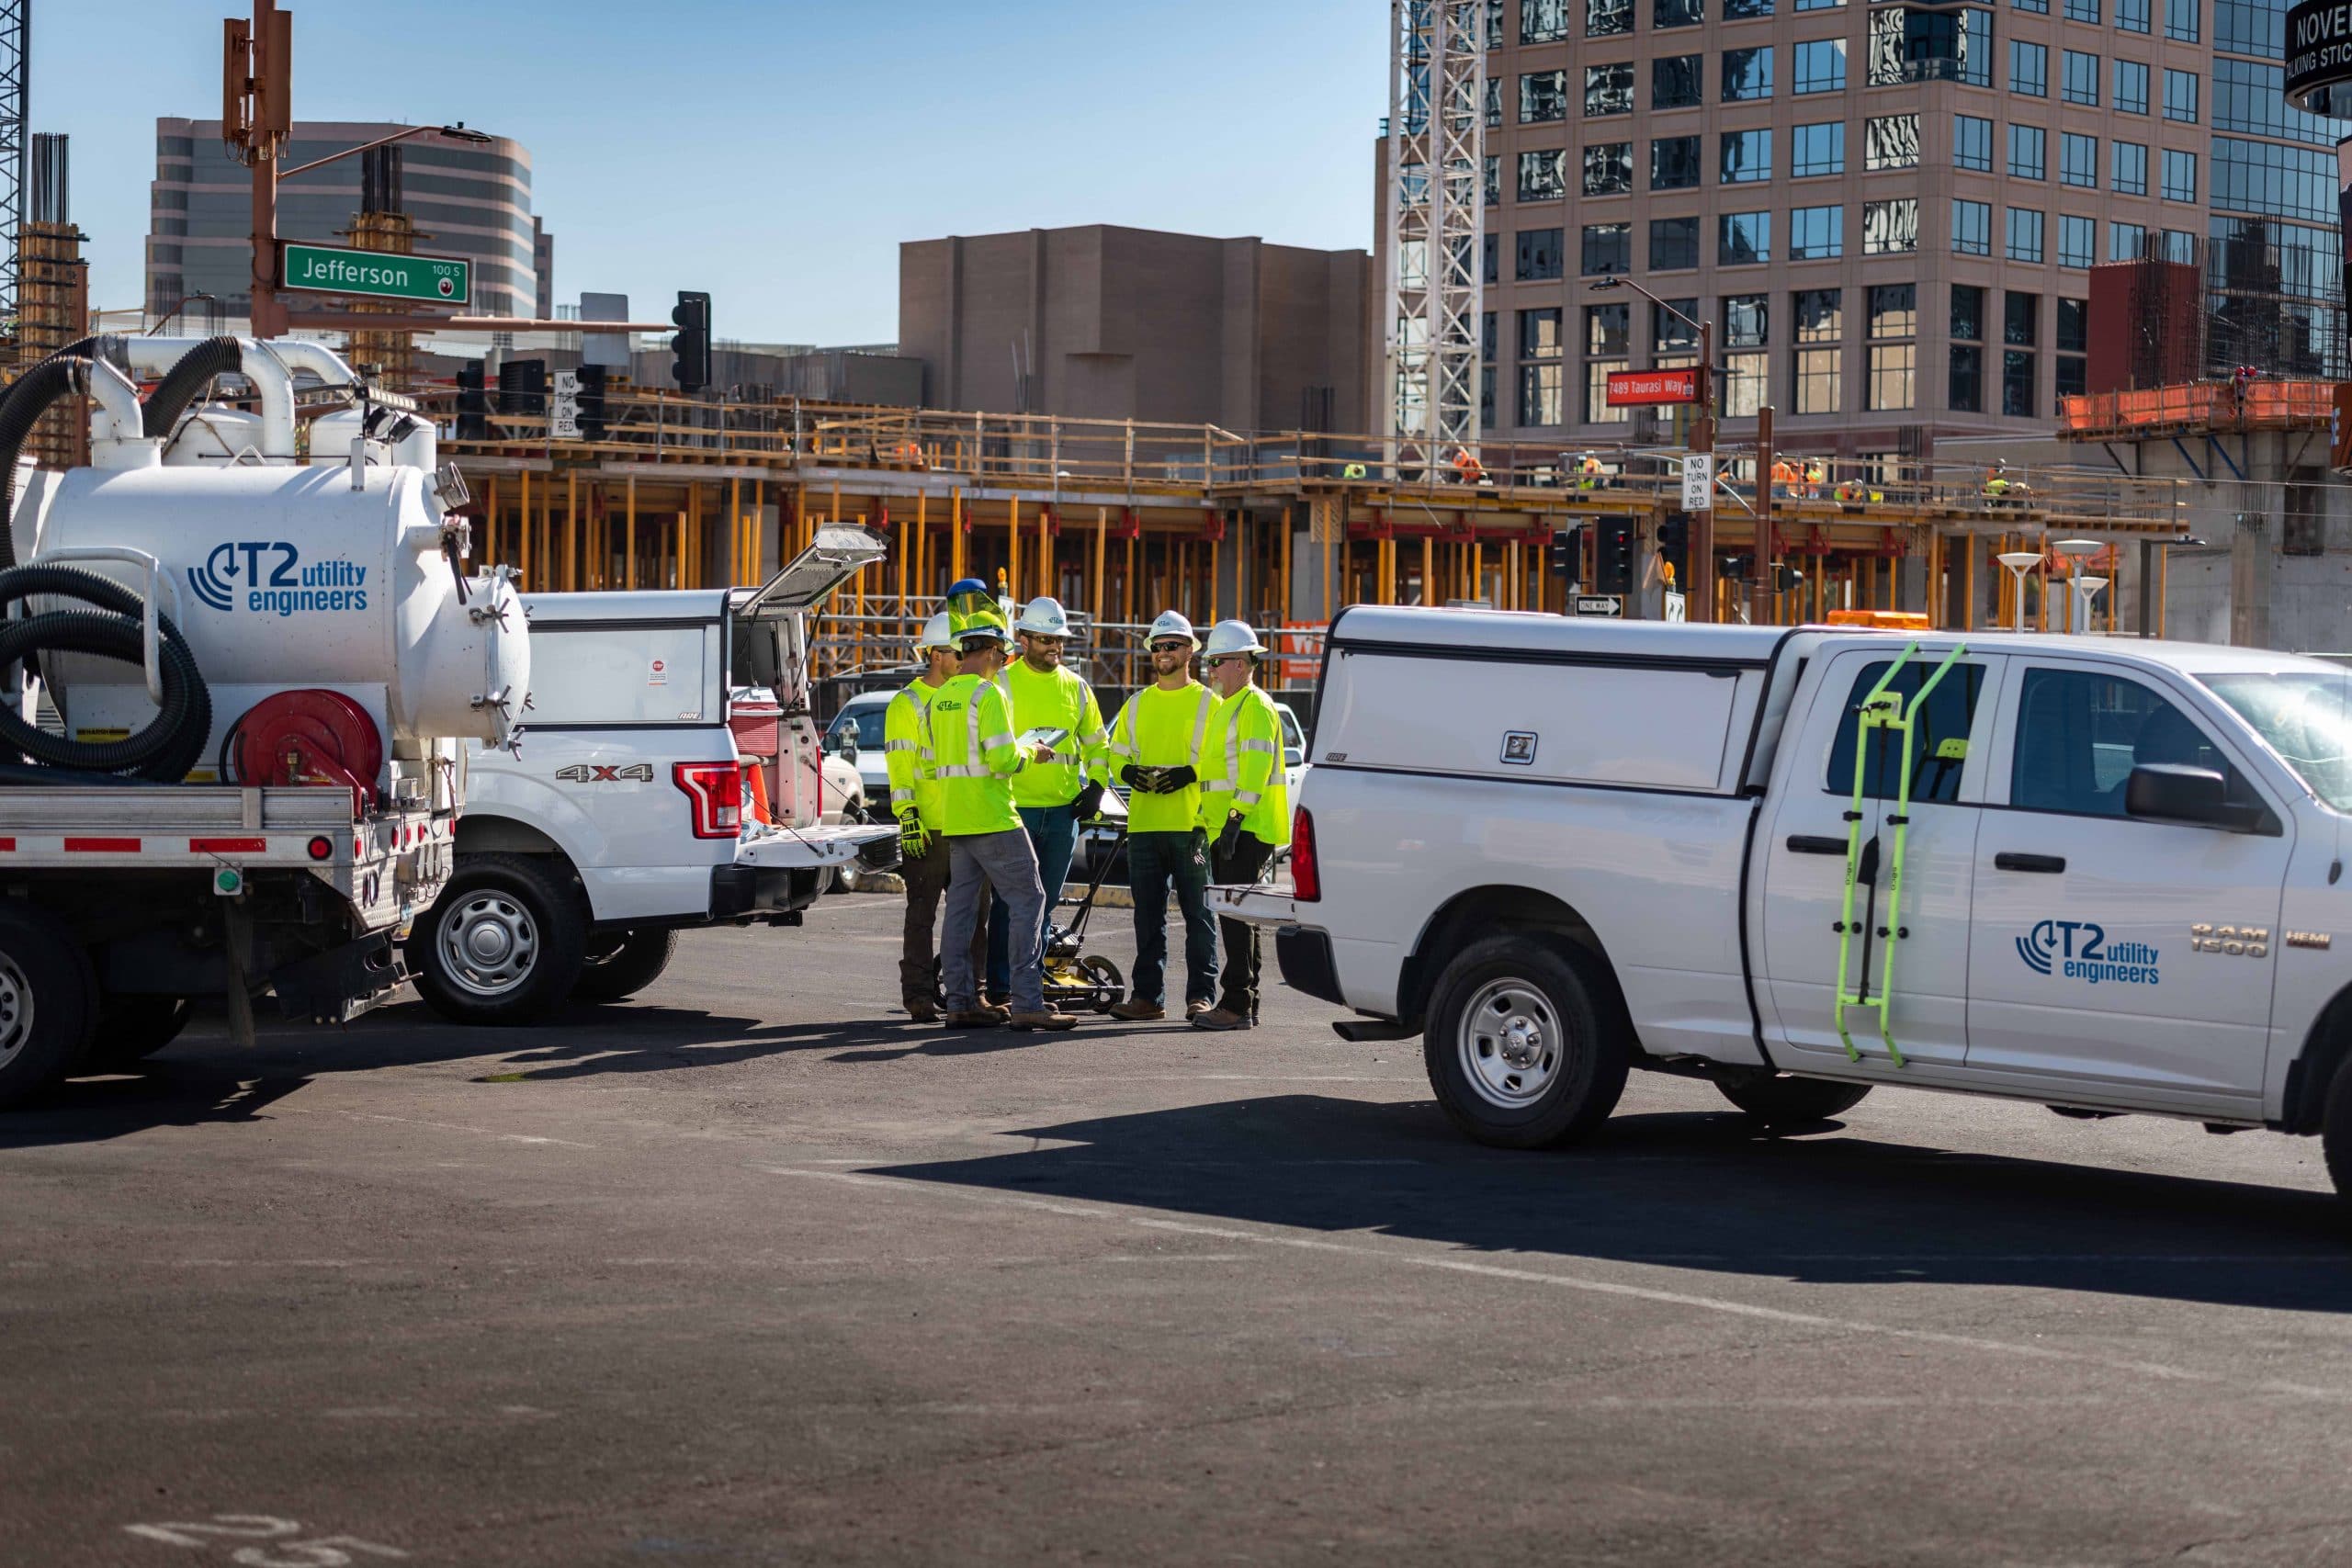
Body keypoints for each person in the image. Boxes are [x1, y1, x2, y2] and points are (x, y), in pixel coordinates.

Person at [927, 608, 1077, 1032]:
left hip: (957, 817)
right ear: (993, 652)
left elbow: (936, 758)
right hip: (993, 815)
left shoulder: (940, 699)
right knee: (1030, 899)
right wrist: (1034, 752)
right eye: (1004, 655)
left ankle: (961, 1002)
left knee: (960, 914)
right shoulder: (988, 695)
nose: (1006, 661)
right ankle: (1029, 1001)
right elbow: (1003, 758)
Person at [982, 595, 1109, 1005]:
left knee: (1045, 902)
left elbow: (1098, 745)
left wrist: (1097, 787)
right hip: (1012, 810)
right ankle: (1003, 987)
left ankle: (1029, 984)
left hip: (1061, 812)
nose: (1054, 646)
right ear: (1021, 640)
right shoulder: (1000, 684)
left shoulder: (1076, 687)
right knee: (1008, 903)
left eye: (1058, 639)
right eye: (1043, 639)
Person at [1104, 610, 1220, 1021]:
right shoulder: (1138, 704)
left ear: (1190, 651)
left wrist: (1191, 773)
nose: (1163, 652)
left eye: (1171, 645)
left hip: (1192, 826)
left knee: (1199, 917)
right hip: (1145, 825)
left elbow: (1226, 759)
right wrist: (1130, 773)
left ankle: (1201, 997)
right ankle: (1148, 998)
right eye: (1157, 646)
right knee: (1147, 917)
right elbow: (1114, 758)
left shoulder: (1211, 703)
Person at [1190, 621, 1292, 1032]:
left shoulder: (1253, 706)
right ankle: (1244, 1004)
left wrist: (1233, 822)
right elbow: (1214, 774)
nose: (1210, 670)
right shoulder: (1230, 706)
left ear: (1239, 663)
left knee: (1235, 917)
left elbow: (1253, 771)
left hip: (1244, 829)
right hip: (1230, 828)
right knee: (1239, 916)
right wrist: (1208, 825)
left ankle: (1235, 1005)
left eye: (1215, 661)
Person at [885, 612, 980, 1023]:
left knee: (976, 916)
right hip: (929, 826)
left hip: (968, 824)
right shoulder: (906, 703)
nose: (964, 658)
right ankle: (919, 996)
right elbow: (900, 765)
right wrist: (907, 815)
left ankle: (970, 995)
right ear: (935, 655)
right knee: (921, 916)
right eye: (957, 651)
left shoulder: (969, 696)